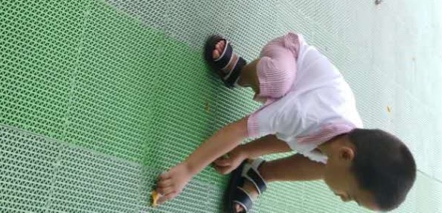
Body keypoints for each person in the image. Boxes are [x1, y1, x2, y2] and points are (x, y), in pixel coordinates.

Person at [155, 34, 416, 212]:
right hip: (290, 56)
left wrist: (244, 152)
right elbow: (240, 129)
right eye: (353, 197)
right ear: (347, 155)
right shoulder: (304, 114)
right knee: (277, 78)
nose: (345, 200)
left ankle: (259, 172)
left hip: (303, 117)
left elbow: (295, 138)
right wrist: (187, 170)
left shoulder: (338, 145)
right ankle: (241, 74)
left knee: (322, 163)